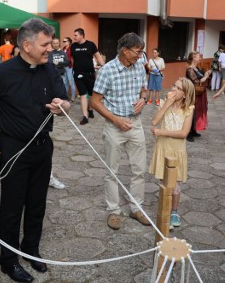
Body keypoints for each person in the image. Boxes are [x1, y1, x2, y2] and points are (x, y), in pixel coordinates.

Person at [0, 18, 70, 283]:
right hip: (13, 147)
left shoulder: (50, 69)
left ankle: (31, 249)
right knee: (12, 206)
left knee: (37, 202)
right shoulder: (2, 73)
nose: (50, 48)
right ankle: (8, 259)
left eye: (51, 43)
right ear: (27, 45)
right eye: (45, 44)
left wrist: (62, 105)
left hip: (43, 146)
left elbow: (66, 103)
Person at [90, 32, 149, 230]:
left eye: (141, 52)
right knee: (111, 171)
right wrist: (116, 120)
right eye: (137, 52)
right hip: (114, 126)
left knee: (140, 170)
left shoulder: (139, 66)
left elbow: (144, 89)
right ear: (125, 50)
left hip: (136, 124)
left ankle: (136, 207)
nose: (140, 56)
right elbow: (94, 102)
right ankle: (113, 211)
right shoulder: (107, 70)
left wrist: (143, 99)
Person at [149, 78, 194, 228]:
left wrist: (162, 132)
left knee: (175, 185)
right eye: (173, 85)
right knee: (164, 183)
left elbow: (183, 133)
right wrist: (167, 104)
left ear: (185, 94)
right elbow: (154, 122)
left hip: (177, 151)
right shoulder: (164, 104)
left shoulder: (188, 109)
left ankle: (174, 212)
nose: (173, 89)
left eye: (178, 88)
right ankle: (164, 211)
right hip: (163, 149)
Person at [72, 28, 105, 125]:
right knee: (82, 95)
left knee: (91, 94)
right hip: (78, 74)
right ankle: (85, 116)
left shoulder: (90, 45)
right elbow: (73, 59)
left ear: (82, 35)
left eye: (76, 35)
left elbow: (98, 56)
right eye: (74, 35)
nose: (74, 37)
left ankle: (90, 109)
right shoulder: (73, 46)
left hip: (90, 74)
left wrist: (104, 66)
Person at [186, 51, 211, 141]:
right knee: (191, 112)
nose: (200, 58)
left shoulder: (197, 68)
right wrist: (205, 76)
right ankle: (188, 133)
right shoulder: (190, 69)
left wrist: (206, 74)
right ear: (193, 58)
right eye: (198, 56)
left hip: (200, 93)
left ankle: (193, 130)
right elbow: (196, 81)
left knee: (198, 112)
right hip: (193, 93)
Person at [61, 37, 77, 101]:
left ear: (69, 42)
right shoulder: (64, 49)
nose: (64, 43)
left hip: (70, 67)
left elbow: (73, 58)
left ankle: (73, 97)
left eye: (65, 41)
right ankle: (65, 96)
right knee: (65, 83)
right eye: (63, 41)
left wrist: (74, 67)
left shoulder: (71, 49)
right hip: (64, 67)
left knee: (71, 82)